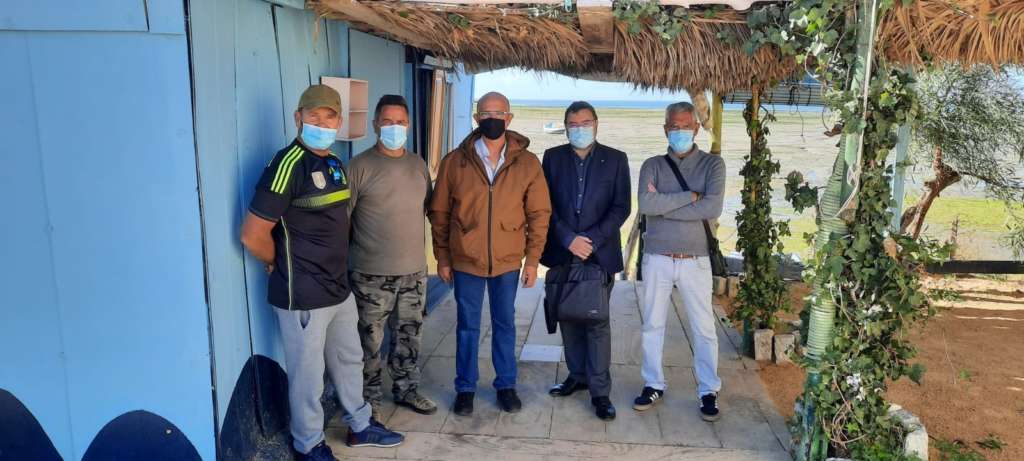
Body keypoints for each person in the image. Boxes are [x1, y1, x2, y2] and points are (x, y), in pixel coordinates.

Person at [240, 85, 404, 461]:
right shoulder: (287, 165)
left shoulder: (333, 163)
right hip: (303, 294)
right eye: (313, 115)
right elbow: (252, 235)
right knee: (308, 374)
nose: (322, 123)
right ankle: (308, 444)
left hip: (338, 288)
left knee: (349, 359)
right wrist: (277, 262)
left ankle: (360, 425)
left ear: (339, 121)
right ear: (298, 118)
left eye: (329, 117)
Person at [428, 91, 552, 416]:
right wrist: (443, 257)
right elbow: (439, 213)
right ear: (476, 118)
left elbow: (539, 214)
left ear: (509, 118)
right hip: (465, 259)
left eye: (498, 113)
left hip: (508, 261)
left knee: (505, 323)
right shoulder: (455, 161)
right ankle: (465, 388)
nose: (492, 119)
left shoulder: (527, 163)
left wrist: (533, 260)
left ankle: (506, 385)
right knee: (467, 325)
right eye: (485, 114)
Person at [634, 101, 726, 422]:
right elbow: (646, 204)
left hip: (695, 259)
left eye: (686, 126)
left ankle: (708, 389)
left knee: (704, 328)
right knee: (652, 325)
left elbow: (711, 208)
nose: (680, 131)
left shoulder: (713, 165)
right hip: (656, 257)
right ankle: (653, 383)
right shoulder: (652, 165)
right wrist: (690, 197)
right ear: (665, 129)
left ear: (696, 128)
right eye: (674, 126)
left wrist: (665, 206)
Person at [348, 94, 437, 420]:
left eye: (400, 122)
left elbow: (427, 209)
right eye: (387, 121)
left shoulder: (418, 165)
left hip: (413, 273)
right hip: (370, 275)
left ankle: (406, 389)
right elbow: (342, 220)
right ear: (375, 125)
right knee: (369, 341)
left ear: (408, 125)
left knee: (409, 336)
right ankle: (368, 400)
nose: (394, 127)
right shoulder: (358, 167)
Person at [540, 101, 631, 421]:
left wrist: (590, 240)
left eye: (585, 123)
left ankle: (600, 392)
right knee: (568, 317)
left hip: (599, 254)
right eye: (573, 124)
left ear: (596, 124)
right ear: (566, 128)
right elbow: (545, 205)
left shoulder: (616, 159)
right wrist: (568, 238)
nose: (579, 128)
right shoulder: (552, 158)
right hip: (563, 251)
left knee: (596, 321)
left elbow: (621, 207)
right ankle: (577, 376)